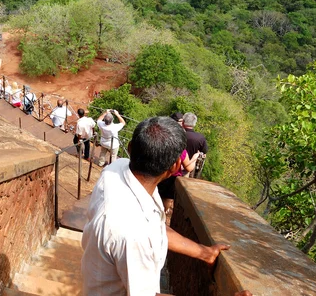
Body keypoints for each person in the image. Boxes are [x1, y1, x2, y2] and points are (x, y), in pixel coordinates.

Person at [82, 116, 231, 295]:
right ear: (176, 166)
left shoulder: (115, 169)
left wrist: (204, 253)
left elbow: (155, 227)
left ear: (130, 148)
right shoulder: (132, 235)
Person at [182, 112, 208, 177]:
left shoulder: (176, 134)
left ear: (183, 122)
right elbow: (204, 152)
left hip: (171, 167)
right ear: (194, 124)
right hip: (187, 169)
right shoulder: (200, 138)